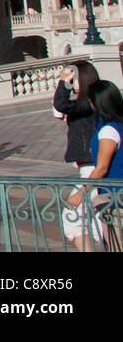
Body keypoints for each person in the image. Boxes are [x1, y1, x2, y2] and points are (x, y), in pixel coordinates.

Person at [65, 80, 123, 251]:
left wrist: (81, 193)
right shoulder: (116, 126)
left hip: (115, 197)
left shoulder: (108, 131)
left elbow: (102, 168)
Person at [55, 62, 101, 170]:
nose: (72, 84)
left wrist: (64, 82)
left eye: (73, 80)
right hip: (87, 157)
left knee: (86, 186)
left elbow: (61, 104)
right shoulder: (89, 100)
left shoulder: (89, 102)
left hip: (89, 158)